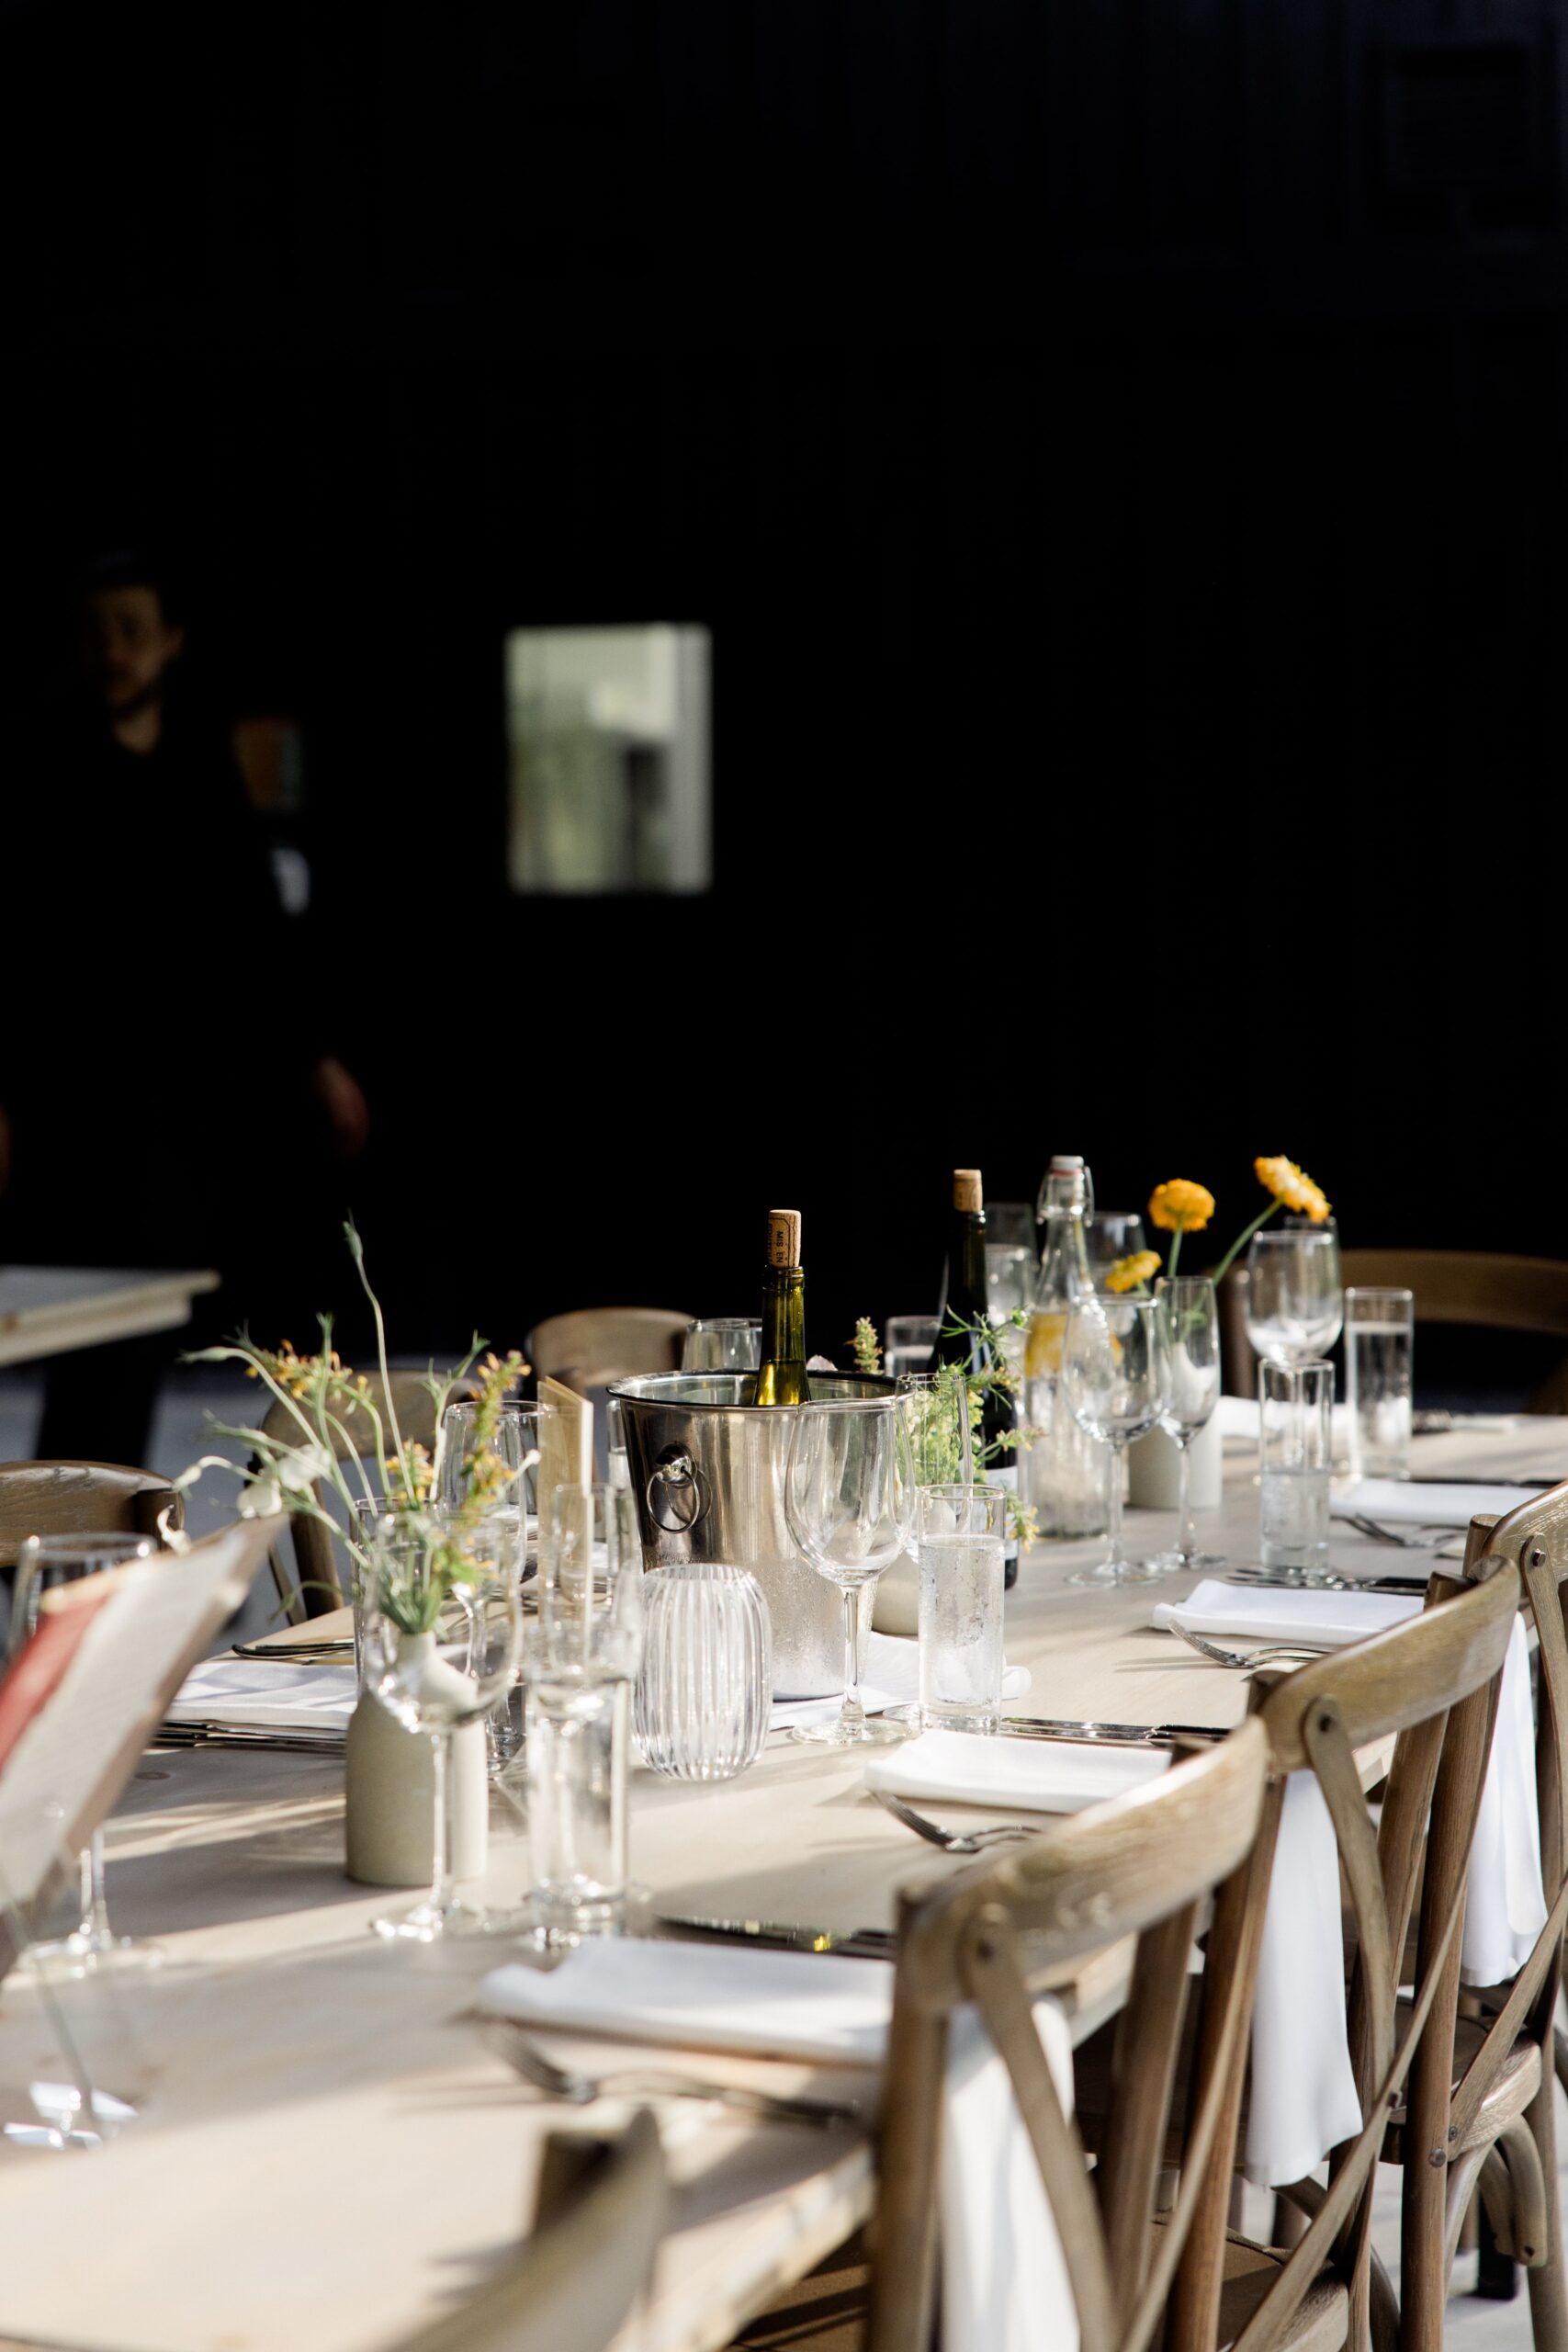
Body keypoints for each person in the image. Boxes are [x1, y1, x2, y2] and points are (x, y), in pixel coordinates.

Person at [0, 549, 370, 1464]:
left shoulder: (199, 763)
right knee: (83, 1334)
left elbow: (254, 926)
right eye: (100, 633)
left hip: (182, 1105)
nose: (114, 651)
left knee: (150, 1330)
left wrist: (316, 1060)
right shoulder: (48, 760)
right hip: (72, 1100)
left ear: (169, 642)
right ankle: (54, 1544)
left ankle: (114, 1538)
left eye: (132, 631)